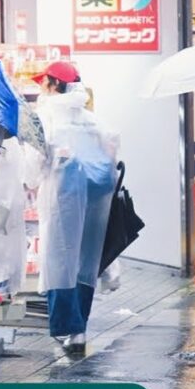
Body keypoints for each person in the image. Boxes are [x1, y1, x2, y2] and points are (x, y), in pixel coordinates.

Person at [34, 62, 119, 356]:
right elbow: (112, 151)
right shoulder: (92, 119)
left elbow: (34, 163)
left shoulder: (47, 117)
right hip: (97, 198)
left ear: (52, 84)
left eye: (43, 82)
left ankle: (65, 327)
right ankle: (79, 330)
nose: (40, 87)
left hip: (63, 198)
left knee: (60, 262)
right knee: (85, 264)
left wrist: (32, 179)